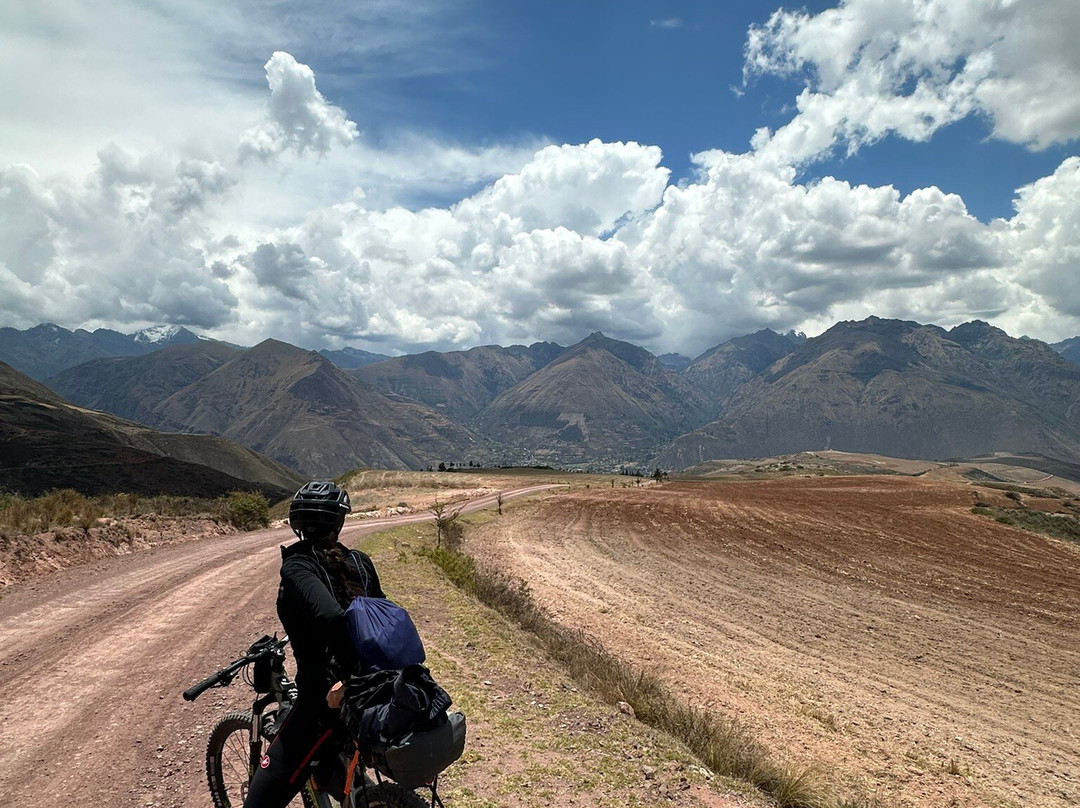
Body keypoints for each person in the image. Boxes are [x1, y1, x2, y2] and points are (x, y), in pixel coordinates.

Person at [243, 480, 384, 808]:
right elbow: (378, 615)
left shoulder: (297, 565)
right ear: (340, 522)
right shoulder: (360, 562)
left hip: (326, 703)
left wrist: (350, 678)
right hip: (380, 686)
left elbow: (331, 618)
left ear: (296, 524)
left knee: (258, 802)